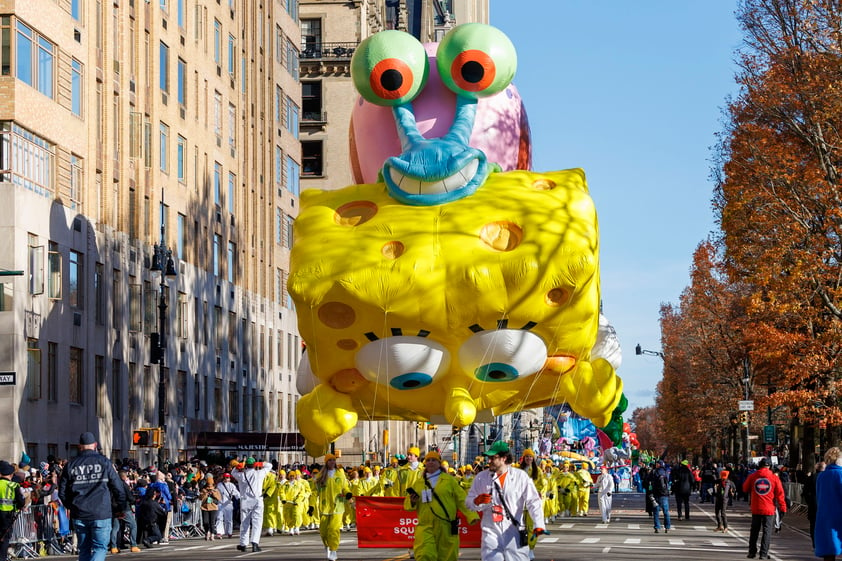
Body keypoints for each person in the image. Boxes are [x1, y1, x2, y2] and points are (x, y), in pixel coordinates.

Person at [466, 441, 547, 561]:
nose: (489, 461)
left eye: (493, 458)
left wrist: (539, 524)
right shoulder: (481, 477)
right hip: (491, 531)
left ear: (504, 458)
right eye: (489, 458)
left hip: (513, 531)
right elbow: (468, 502)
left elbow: (533, 501)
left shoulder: (520, 477)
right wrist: (476, 501)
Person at [58, 432, 128, 561]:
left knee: (84, 549)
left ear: (79, 446)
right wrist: (121, 508)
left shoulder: (71, 465)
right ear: (95, 445)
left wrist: (71, 506)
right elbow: (118, 488)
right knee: (100, 548)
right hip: (101, 512)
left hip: (80, 513)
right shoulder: (104, 462)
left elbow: (62, 492)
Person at [404, 450, 478, 561]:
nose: (431, 462)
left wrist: (472, 515)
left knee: (447, 556)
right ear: (425, 464)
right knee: (424, 554)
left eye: (434, 460)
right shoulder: (419, 483)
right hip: (425, 526)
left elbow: (462, 499)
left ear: (439, 464)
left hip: (446, 526)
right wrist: (412, 501)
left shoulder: (450, 481)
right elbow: (407, 504)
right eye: (428, 460)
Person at [743, 457, 787, 559]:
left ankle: (752, 551)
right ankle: (763, 553)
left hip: (756, 507)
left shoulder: (753, 476)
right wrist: (783, 507)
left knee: (754, 531)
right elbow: (780, 494)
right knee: (767, 532)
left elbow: (745, 488)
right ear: (770, 466)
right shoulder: (774, 478)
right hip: (769, 508)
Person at [313, 454, 350, 561]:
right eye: (330, 460)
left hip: (337, 506)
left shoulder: (340, 474)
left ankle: (334, 550)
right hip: (324, 507)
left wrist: (348, 493)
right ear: (326, 462)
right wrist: (311, 506)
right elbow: (315, 492)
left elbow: (345, 487)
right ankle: (327, 547)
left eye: (334, 460)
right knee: (323, 531)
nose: (332, 462)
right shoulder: (320, 476)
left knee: (333, 530)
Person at [232, 457, 272, 552]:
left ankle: (243, 544)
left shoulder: (241, 475)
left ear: (246, 465)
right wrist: (260, 463)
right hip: (257, 500)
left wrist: (238, 466)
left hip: (245, 501)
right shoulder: (259, 473)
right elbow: (269, 465)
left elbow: (233, 473)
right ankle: (255, 543)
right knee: (257, 523)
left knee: (244, 523)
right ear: (254, 464)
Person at [815, 447, 842, 561]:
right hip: (839, 517)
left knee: (829, 553)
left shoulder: (821, 476)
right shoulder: (840, 474)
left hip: (824, 516)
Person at [0, 460, 26, 561]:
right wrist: (19, 506)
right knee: (5, 538)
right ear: (10, 474)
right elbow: (21, 502)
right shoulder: (14, 485)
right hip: (7, 515)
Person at [110, 470, 140, 553]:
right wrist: (134, 500)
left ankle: (114, 547)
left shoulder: (111, 485)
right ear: (123, 477)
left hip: (114, 508)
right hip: (124, 508)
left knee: (115, 528)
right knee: (133, 525)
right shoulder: (123, 485)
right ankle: (133, 545)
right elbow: (129, 497)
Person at [803, 461, 825, 547]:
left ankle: (815, 543)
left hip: (813, 505)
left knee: (813, 525)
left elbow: (805, 492)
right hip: (824, 505)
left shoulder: (811, 478)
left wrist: (810, 502)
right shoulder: (826, 478)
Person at [647, 460, 671, 533]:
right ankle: (667, 527)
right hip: (664, 494)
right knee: (666, 511)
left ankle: (657, 527)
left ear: (658, 465)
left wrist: (650, 491)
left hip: (655, 493)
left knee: (656, 511)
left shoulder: (654, 472)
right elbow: (668, 481)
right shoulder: (666, 472)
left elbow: (648, 481)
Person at [215, 472, 240, 538]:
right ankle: (219, 532)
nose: (227, 479)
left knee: (228, 519)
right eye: (225, 477)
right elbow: (217, 493)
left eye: (228, 477)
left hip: (228, 503)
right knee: (219, 518)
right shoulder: (219, 485)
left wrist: (239, 499)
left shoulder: (232, 485)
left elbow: (236, 493)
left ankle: (229, 532)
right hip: (220, 503)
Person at [198, 475, 221, 541]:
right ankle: (206, 532)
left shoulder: (215, 490)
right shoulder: (204, 490)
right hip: (205, 507)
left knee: (212, 522)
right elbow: (200, 498)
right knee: (205, 521)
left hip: (213, 507)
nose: (209, 487)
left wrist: (213, 493)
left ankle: (212, 534)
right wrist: (205, 494)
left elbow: (219, 498)